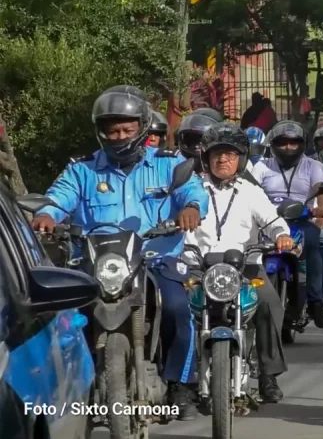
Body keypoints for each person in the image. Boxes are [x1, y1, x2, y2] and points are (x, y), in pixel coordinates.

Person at [31, 85, 208, 419]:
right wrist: (46, 216)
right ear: (101, 132)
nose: (120, 136)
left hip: (156, 258)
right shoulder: (82, 170)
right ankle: (77, 385)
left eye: (128, 129)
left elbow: (192, 192)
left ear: (143, 128)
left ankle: (180, 384)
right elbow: (57, 198)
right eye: (112, 130)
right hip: (99, 261)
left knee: (176, 306)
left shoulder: (169, 165)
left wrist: (192, 209)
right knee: (67, 316)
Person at [184, 123, 294, 403]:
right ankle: (180, 381)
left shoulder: (250, 190)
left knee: (270, 305)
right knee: (176, 307)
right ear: (206, 158)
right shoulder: (191, 189)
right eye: (216, 154)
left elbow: (273, 221)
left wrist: (281, 236)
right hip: (198, 268)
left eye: (230, 154)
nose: (223, 160)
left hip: (245, 269)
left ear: (241, 159)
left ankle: (268, 375)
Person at [251, 121, 323, 329]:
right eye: (282, 143)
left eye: (293, 143)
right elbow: (250, 189)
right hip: (268, 222)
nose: (288, 147)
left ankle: (316, 301)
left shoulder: (314, 166)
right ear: (272, 145)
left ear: (302, 144)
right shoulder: (262, 166)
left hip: (302, 220)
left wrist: (321, 209)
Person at [176, 108, 224, 173]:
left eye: (203, 140)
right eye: (192, 140)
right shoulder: (175, 166)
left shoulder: (224, 168)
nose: (196, 146)